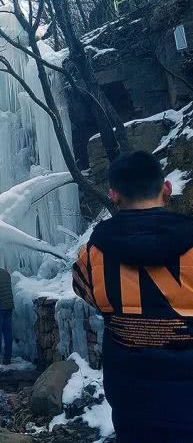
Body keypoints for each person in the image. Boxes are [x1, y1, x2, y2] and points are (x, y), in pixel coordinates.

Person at [72, 151, 193, 443]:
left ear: (113, 194)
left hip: (131, 398)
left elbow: (86, 292)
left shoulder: (91, 254)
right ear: (167, 188)